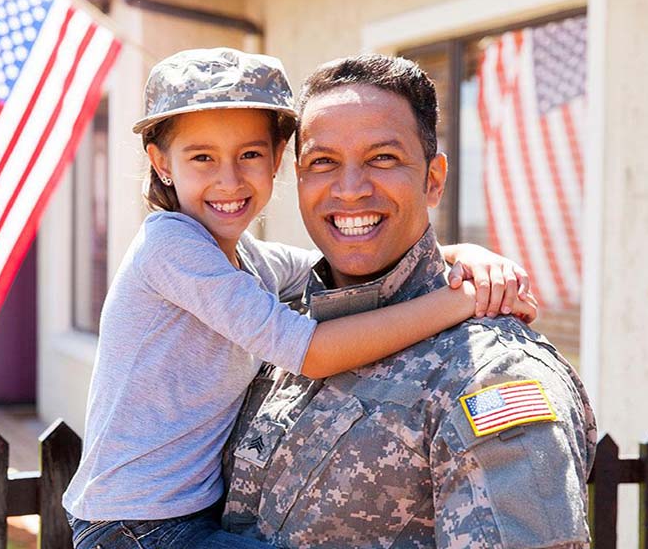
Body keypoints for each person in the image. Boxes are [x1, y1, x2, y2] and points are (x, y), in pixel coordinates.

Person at [62, 48, 536, 549]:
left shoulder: (246, 258)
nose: (229, 179)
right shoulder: (170, 247)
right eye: (202, 157)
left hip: (186, 515)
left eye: (249, 154)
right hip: (136, 528)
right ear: (162, 164)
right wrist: (460, 301)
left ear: (276, 160)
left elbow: (338, 258)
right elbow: (309, 351)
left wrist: (467, 255)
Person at [221, 54, 597, 548]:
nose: (349, 189)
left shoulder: (489, 372)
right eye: (323, 162)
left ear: (434, 179)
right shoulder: (281, 326)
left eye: (383, 158)